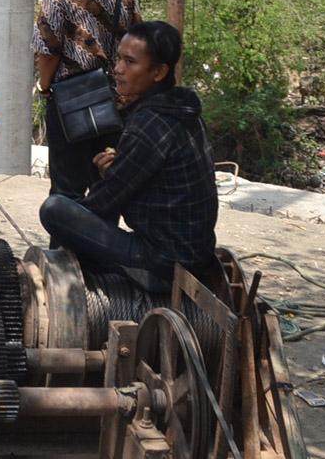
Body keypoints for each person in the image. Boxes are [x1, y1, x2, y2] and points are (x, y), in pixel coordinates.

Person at [39, 21, 219, 289]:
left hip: (162, 262)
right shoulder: (183, 109)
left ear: (158, 72)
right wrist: (113, 173)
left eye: (130, 62)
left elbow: (103, 203)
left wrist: (79, 220)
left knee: (56, 210)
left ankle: (82, 277)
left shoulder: (150, 124)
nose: (118, 69)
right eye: (119, 58)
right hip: (196, 252)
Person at [33, 0, 140, 200]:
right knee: (107, 186)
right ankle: (100, 244)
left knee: (66, 190)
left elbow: (47, 51)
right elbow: (139, 41)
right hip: (117, 99)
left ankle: (65, 245)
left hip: (71, 102)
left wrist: (45, 88)